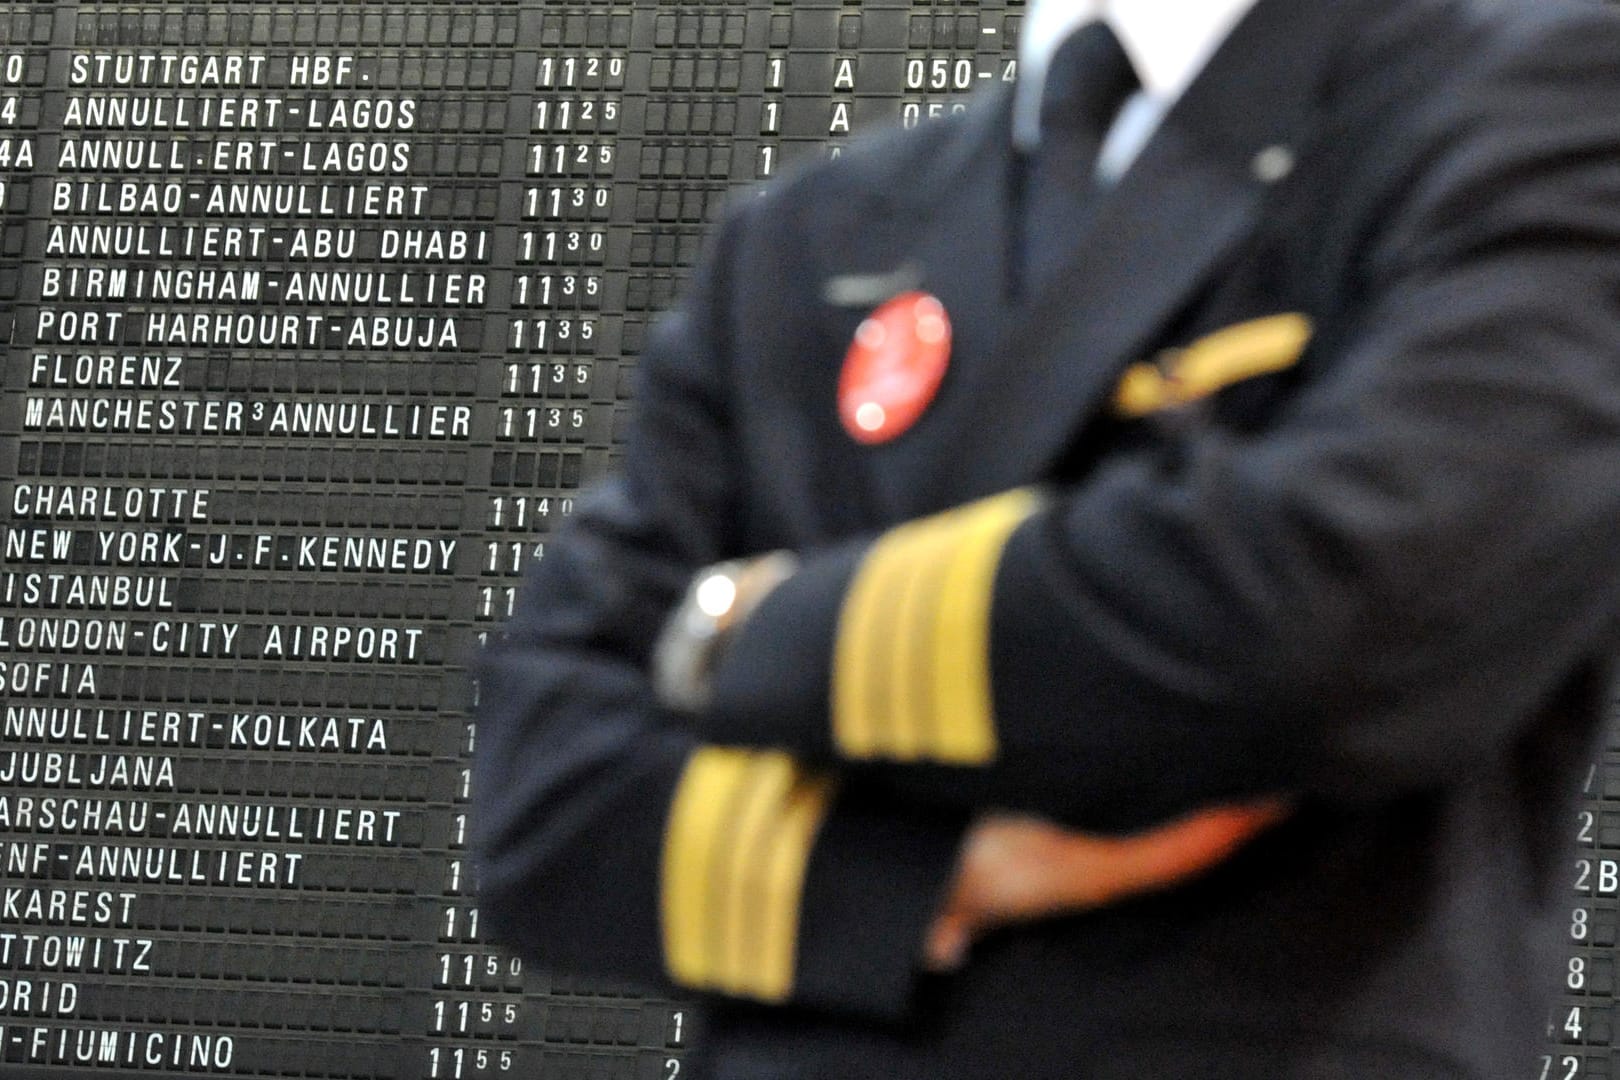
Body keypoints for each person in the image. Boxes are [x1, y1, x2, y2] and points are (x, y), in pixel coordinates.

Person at [472, 0, 1620, 1076]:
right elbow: (546, 803)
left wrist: (743, 631)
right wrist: (939, 875)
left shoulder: (1537, 94)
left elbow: (1336, 613)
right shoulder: (806, 227)